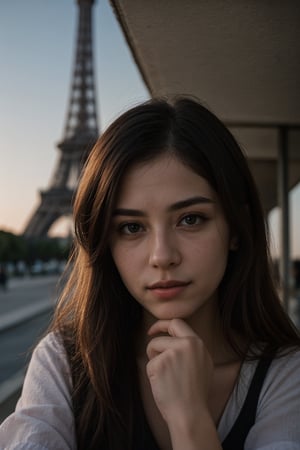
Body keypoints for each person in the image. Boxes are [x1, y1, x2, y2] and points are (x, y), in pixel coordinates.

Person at [1, 96, 300, 450]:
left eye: (191, 219)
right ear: (104, 241)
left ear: (235, 228)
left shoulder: (286, 374)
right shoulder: (62, 364)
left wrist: (189, 418)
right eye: (130, 227)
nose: (162, 256)